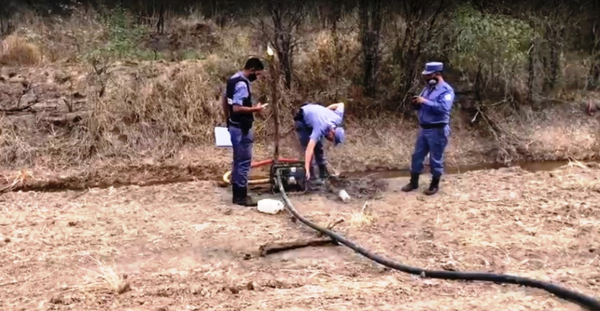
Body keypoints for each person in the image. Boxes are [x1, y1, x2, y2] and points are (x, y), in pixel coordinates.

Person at [401, 62, 455, 195]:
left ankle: (434, 185)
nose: (426, 77)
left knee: (436, 158)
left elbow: (443, 108)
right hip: (423, 129)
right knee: (417, 156)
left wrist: (424, 101)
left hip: (438, 129)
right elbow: (423, 105)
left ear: (437, 74)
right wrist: (416, 104)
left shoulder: (446, 90)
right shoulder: (427, 89)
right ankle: (413, 182)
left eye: (429, 75)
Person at [222, 57, 266, 206]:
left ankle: (237, 193)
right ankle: (240, 197)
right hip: (241, 128)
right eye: (258, 74)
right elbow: (236, 107)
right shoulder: (242, 84)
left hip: (234, 126)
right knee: (243, 162)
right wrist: (256, 109)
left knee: (237, 160)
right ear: (252, 70)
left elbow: (225, 101)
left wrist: (227, 120)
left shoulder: (233, 79)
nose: (258, 77)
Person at [293, 102, 345, 183]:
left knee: (319, 147)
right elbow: (309, 149)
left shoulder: (337, 118)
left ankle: (323, 173)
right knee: (309, 144)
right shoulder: (320, 127)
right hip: (303, 118)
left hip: (316, 116)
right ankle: (311, 177)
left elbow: (341, 104)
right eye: (332, 139)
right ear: (332, 132)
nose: (330, 141)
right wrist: (306, 168)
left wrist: (326, 110)